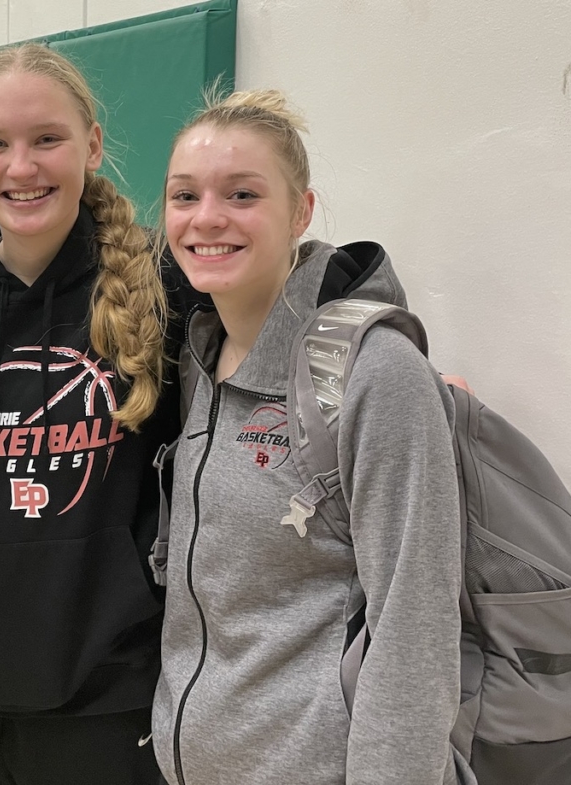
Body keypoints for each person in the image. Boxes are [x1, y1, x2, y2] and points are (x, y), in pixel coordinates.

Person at [151, 90, 474, 784]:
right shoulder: (198, 355)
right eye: (185, 196)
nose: (207, 217)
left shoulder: (376, 372)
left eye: (242, 193)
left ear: (300, 211)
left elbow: (414, 629)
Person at [0, 42, 196, 785]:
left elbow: (280, 287)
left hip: (110, 690)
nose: (23, 167)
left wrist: (377, 356)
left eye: (47, 140)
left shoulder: (163, 288)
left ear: (92, 145)